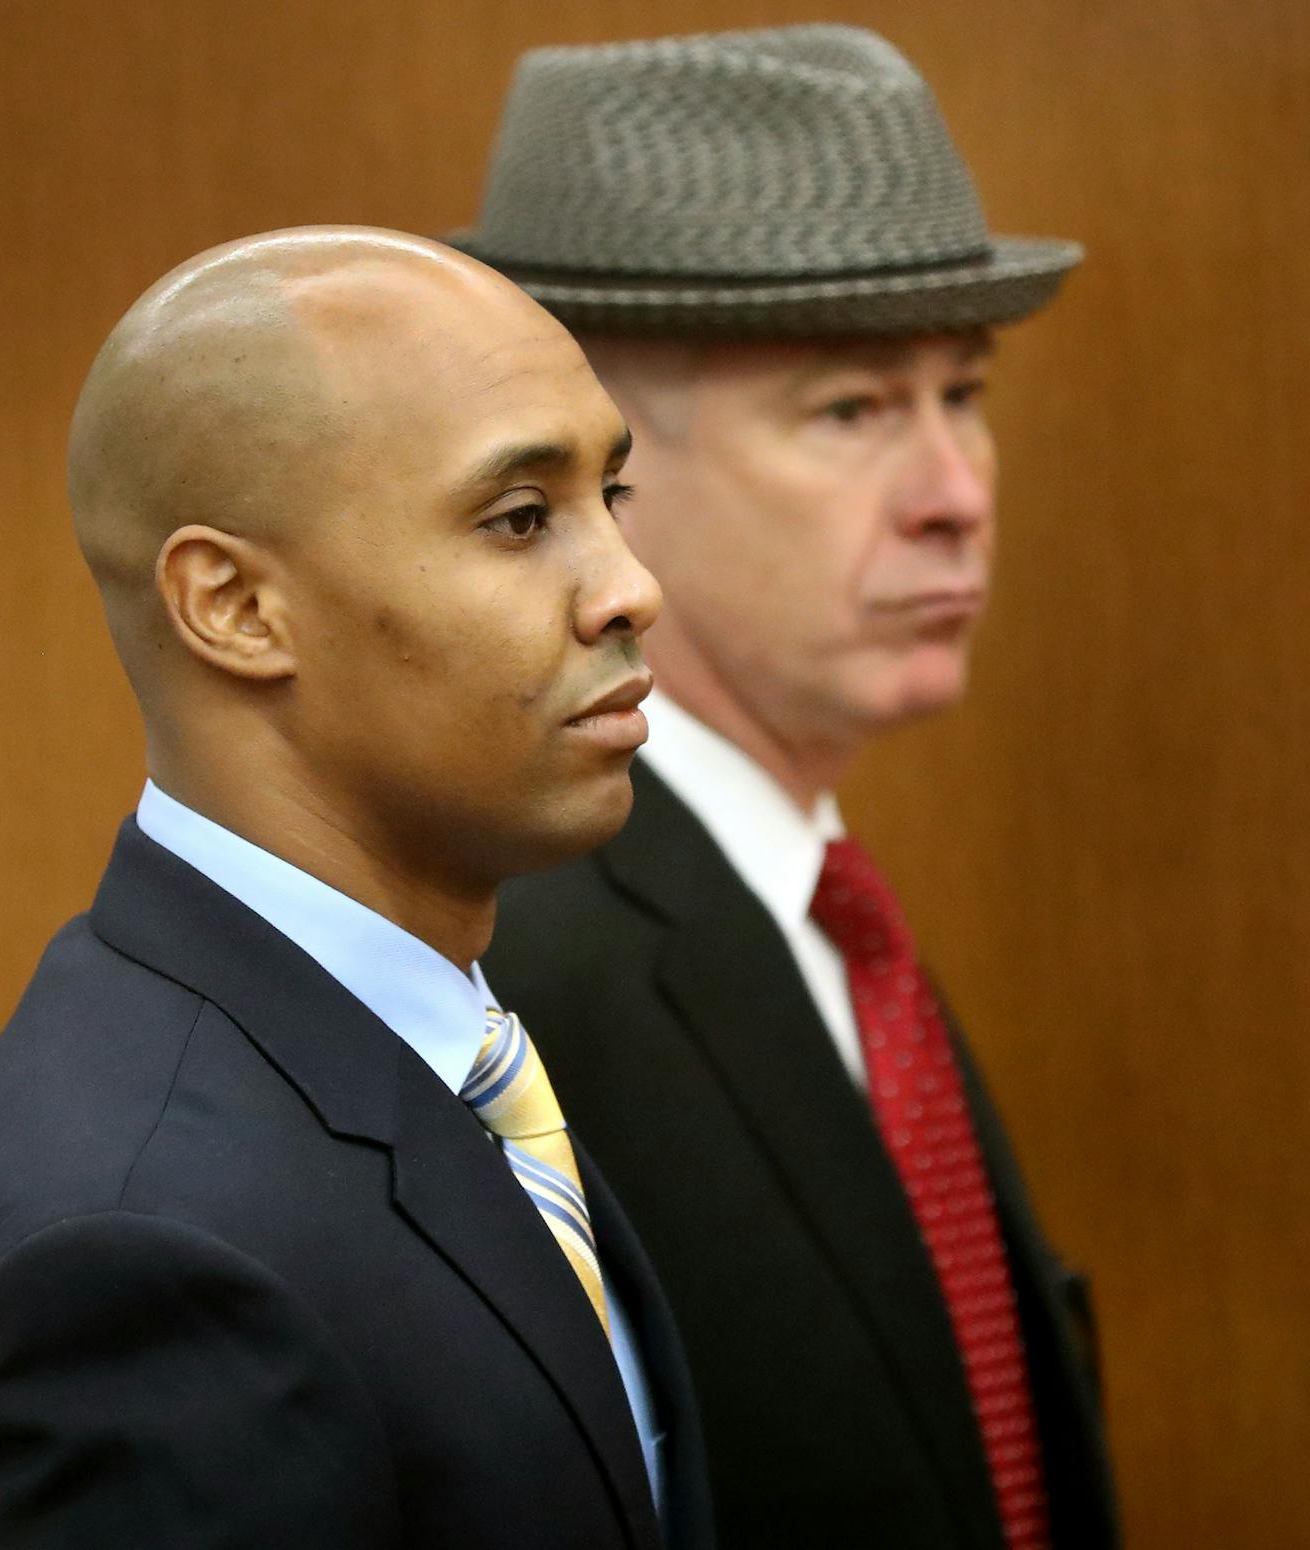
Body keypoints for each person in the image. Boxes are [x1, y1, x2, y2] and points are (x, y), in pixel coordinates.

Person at [0, 227, 715, 1549]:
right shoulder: (134, 1266)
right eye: (521, 518)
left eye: (613, 494)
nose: (630, 585)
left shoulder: (439, 1058)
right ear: (233, 607)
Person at [463, 26, 1120, 1550]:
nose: (958, 492)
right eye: (851, 410)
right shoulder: (513, 994)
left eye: (963, 392)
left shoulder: (829, 912)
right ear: (595, 465)